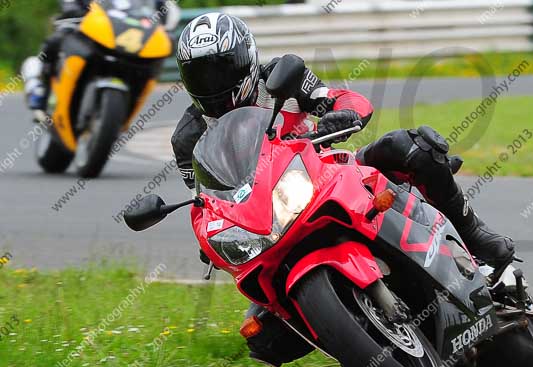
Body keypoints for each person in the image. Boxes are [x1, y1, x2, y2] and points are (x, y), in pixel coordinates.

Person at [173, 13, 515, 270]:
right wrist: (209, 240)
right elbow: (204, 203)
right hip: (271, 218)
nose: (212, 82)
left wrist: (342, 115)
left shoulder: (278, 78)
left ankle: (474, 235)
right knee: (262, 335)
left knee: (411, 147)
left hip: (332, 173)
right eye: (199, 73)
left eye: (221, 68)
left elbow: (344, 99)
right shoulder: (188, 137)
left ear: (246, 59)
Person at [25, 0, 170, 112]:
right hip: (88, 25)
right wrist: (71, 9)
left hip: (123, 32)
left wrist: (163, 18)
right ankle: (40, 86)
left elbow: (159, 7)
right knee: (58, 38)